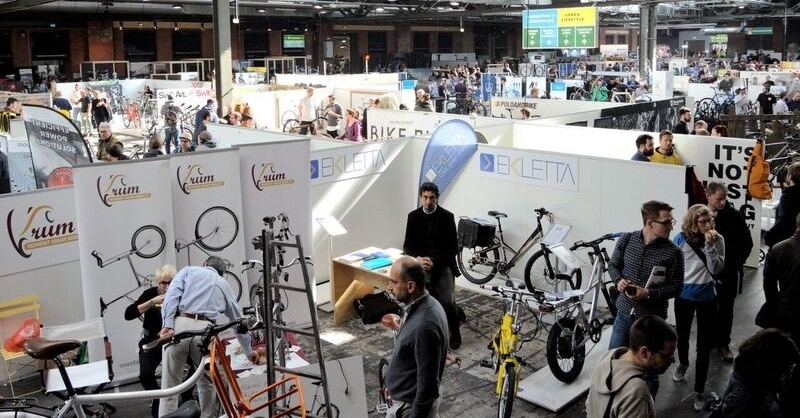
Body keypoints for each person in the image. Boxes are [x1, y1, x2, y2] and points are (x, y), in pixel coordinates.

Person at [158, 256, 258, 418]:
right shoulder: (224, 284)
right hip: (206, 332)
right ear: (222, 273)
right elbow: (238, 322)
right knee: (208, 383)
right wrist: (248, 351)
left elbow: (171, 296)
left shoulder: (188, 271)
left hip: (180, 326)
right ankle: (207, 416)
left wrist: (167, 325)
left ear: (204, 265)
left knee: (169, 388)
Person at [608, 200, 685, 397]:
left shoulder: (674, 252)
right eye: (666, 222)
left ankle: (644, 408)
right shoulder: (627, 240)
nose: (670, 227)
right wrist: (619, 282)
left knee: (650, 372)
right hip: (624, 315)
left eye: (671, 222)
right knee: (614, 362)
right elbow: (613, 265)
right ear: (650, 223)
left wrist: (649, 293)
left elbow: (676, 287)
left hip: (651, 322)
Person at [672, 204, 725, 411]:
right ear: (693, 223)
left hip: (707, 297)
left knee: (704, 345)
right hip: (684, 295)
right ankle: (683, 363)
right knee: (682, 335)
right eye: (702, 222)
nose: (707, 225)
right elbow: (674, 266)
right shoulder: (680, 239)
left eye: (709, 220)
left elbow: (717, 268)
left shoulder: (717, 239)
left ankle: (699, 390)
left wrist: (710, 246)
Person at [384, 256, 448, 418]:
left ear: (411, 286)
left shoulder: (424, 326)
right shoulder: (423, 304)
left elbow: (428, 387)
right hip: (403, 397)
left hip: (408, 407)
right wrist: (393, 386)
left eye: (394, 282)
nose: (389, 287)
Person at [403, 182, 462, 349]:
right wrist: (418, 259)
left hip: (442, 264)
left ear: (437, 198)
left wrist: (434, 261)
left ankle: (454, 331)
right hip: (421, 264)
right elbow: (407, 246)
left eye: (432, 198)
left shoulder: (447, 217)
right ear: (421, 197)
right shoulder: (413, 216)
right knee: (419, 301)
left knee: (448, 300)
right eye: (425, 197)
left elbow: (453, 248)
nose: (428, 201)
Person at [586, 315, 677, 418]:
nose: (672, 360)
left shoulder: (606, 359)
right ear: (644, 353)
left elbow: (589, 404)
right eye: (666, 356)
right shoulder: (636, 392)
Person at [704, 182, 753, 362]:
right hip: (704, 273)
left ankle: (723, 343)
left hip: (728, 271)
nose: (723, 202)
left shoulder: (734, 216)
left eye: (725, 198)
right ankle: (708, 341)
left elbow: (747, 243)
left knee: (726, 309)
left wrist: (735, 263)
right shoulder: (699, 214)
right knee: (706, 309)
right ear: (708, 196)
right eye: (719, 199)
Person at [124, 265, 176, 418]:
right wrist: (152, 302)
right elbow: (129, 314)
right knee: (145, 375)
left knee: (197, 360)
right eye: (163, 283)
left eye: (170, 282)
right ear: (157, 283)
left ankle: (186, 395)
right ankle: (158, 398)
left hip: (174, 339)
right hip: (152, 339)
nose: (167, 287)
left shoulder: (180, 291)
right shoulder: (150, 294)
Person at [720, 328, 800, 418]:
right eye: (788, 368)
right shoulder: (747, 403)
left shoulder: (753, 383)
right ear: (773, 369)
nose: (790, 373)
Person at [765, 162, 800, 247]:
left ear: (790, 177)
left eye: (787, 174)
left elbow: (783, 220)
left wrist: (769, 237)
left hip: (785, 243)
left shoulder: (789, 196)